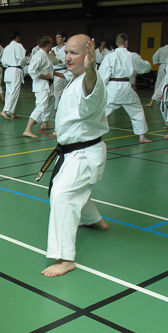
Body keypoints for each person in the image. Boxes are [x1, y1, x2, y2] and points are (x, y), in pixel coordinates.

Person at [41, 34, 109, 278]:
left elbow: (91, 90)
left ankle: (65, 258)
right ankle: (95, 220)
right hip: (73, 152)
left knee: (63, 195)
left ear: (88, 57)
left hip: (84, 154)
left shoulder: (90, 81)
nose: (68, 57)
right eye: (67, 52)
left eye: (75, 53)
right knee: (66, 189)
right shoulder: (73, 80)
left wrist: (91, 70)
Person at [99, 33, 152, 143]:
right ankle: (142, 136)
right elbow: (146, 68)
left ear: (117, 43)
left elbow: (103, 75)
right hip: (126, 87)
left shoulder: (110, 56)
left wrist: (100, 90)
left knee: (100, 112)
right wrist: (144, 64)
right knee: (137, 111)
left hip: (112, 88)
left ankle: (89, 134)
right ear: (126, 42)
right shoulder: (132, 56)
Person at [23, 36, 63, 137]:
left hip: (48, 84)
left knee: (51, 102)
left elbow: (54, 61)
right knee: (41, 106)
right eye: (51, 43)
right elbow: (31, 70)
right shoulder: (39, 55)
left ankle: (45, 122)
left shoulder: (47, 55)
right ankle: (27, 129)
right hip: (41, 84)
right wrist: (45, 75)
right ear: (48, 44)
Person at [1, 30, 26, 120]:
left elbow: (3, 61)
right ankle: (5, 110)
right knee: (14, 92)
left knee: (9, 92)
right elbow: (22, 58)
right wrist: (24, 62)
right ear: (17, 37)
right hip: (16, 69)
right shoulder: (18, 46)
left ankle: (13, 112)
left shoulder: (6, 47)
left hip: (8, 70)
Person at [146, 41, 168, 107]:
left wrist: (157, 63)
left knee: (159, 83)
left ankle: (156, 98)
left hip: (161, 65)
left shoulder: (161, 49)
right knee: (166, 83)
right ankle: (164, 97)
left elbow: (154, 56)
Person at [51, 32, 68, 113]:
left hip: (62, 71)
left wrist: (55, 57)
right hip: (53, 72)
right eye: (56, 37)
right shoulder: (53, 49)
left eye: (59, 37)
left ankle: (56, 110)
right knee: (57, 92)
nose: (57, 39)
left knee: (57, 92)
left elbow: (65, 61)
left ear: (64, 38)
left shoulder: (67, 48)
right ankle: (59, 108)